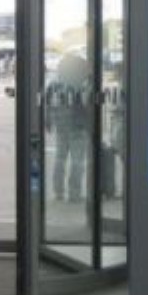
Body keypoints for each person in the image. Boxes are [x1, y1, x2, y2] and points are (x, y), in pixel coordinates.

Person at [46, 53, 90, 203]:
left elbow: (47, 104)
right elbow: (86, 105)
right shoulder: (80, 83)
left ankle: (58, 192)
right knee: (77, 161)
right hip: (78, 126)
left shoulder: (54, 83)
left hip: (60, 125)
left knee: (60, 159)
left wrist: (48, 121)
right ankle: (74, 193)